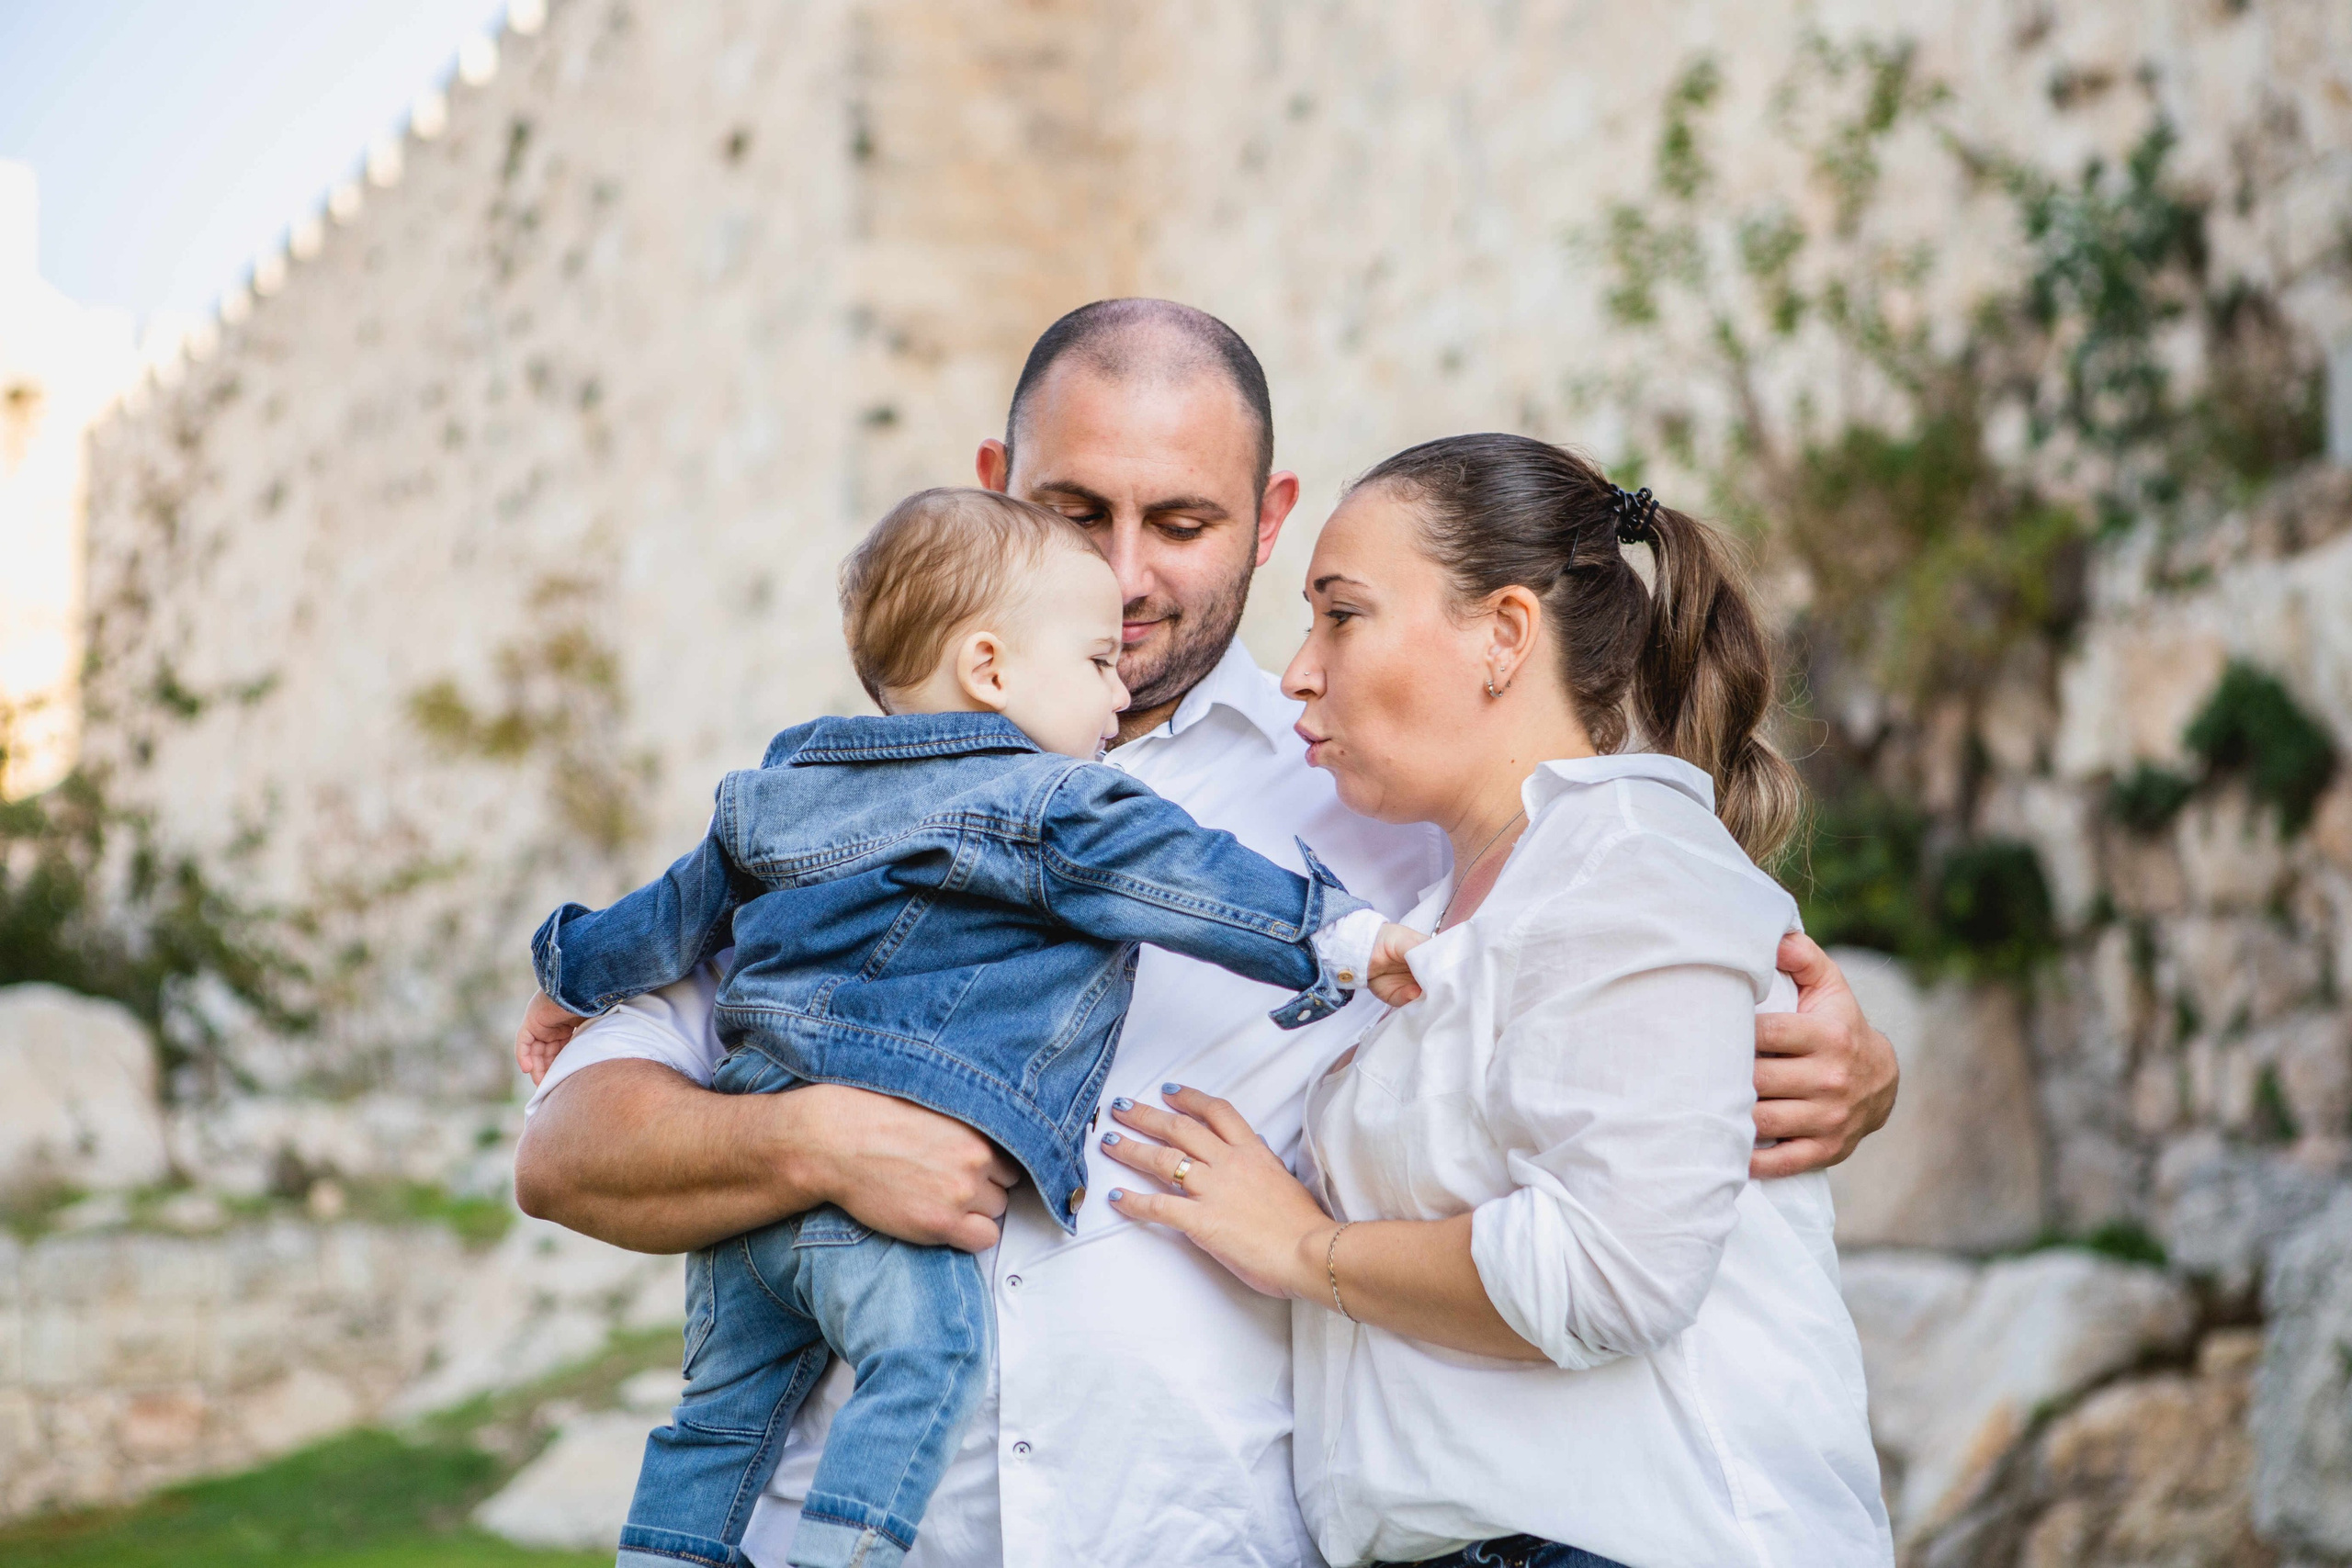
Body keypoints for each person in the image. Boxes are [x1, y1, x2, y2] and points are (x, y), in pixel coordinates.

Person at [513, 299, 1902, 1568]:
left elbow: (1611, 944)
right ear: (991, 484)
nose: (1123, 575)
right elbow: (568, 1152)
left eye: (1179, 522)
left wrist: (1836, 1061)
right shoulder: (834, 799)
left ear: (1268, 516)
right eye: (1073, 509)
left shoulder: (1377, 796)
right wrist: (811, 1140)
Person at [513, 487, 1422, 1568]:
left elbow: (658, 923)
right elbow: (1196, 884)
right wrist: (1347, 942)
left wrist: (566, 973)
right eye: (1093, 663)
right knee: (931, 1366)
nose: (1114, 682)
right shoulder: (1049, 799)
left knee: (717, 1421)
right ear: (991, 670)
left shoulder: (780, 784)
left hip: (741, 1232)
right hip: (882, 1217)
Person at [1097, 434, 1891, 1566]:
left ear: (1504, 634)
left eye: (1342, 615)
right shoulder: (1453, 904)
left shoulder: (1630, 865)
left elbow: (1609, 1271)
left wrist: (1305, 1248)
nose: (1298, 673)